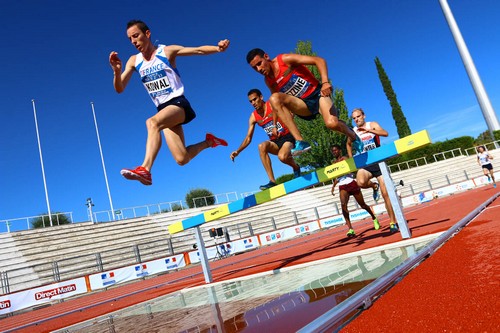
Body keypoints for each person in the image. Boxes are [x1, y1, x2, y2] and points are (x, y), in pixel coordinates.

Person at [109, 20, 229, 185]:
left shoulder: (166, 51)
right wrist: (116, 72)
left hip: (179, 104)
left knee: (152, 123)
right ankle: (210, 142)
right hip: (164, 111)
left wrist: (218, 48)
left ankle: (145, 169)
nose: (133, 41)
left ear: (147, 34)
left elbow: (198, 50)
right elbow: (120, 88)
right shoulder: (133, 61)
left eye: (136, 36)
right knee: (182, 158)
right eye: (130, 39)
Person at [246, 48, 364, 156]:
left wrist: (325, 82)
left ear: (266, 57)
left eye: (259, 64)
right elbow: (276, 103)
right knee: (273, 98)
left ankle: (352, 136)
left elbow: (319, 60)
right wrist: (276, 124)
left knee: (332, 124)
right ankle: (300, 141)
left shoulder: (284, 59)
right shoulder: (269, 81)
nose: (259, 69)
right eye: (254, 68)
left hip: (318, 95)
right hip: (303, 106)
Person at [230, 89, 301, 190]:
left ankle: (296, 167)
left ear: (261, 97)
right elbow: (248, 137)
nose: (253, 103)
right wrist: (238, 151)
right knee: (261, 146)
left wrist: (280, 122)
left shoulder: (271, 105)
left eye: (255, 99)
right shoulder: (253, 116)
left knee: (282, 157)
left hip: (288, 137)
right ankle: (272, 181)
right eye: (250, 101)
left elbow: (288, 109)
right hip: (275, 142)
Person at [347, 108, 398, 233]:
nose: (356, 120)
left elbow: (385, 133)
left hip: (379, 163)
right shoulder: (353, 131)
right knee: (360, 182)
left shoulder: (372, 124)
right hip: (366, 164)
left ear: (363, 116)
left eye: (358, 116)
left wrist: (368, 130)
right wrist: (351, 159)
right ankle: (374, 186)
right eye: (354, 118)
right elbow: (348, 144)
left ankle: (393, 222)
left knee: (386, 194)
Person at [330, 144, 378, 237]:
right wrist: (333, 186)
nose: (334, 152)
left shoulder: (345, 158)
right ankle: (350, 229)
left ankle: (374, 218)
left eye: (335, 150)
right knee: (343, 205)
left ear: (339, 150)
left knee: (362, 205)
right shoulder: (333, 164)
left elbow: (351, 168)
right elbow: (337, 177)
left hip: (351, 182)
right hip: (342, 185)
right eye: (333, 151)